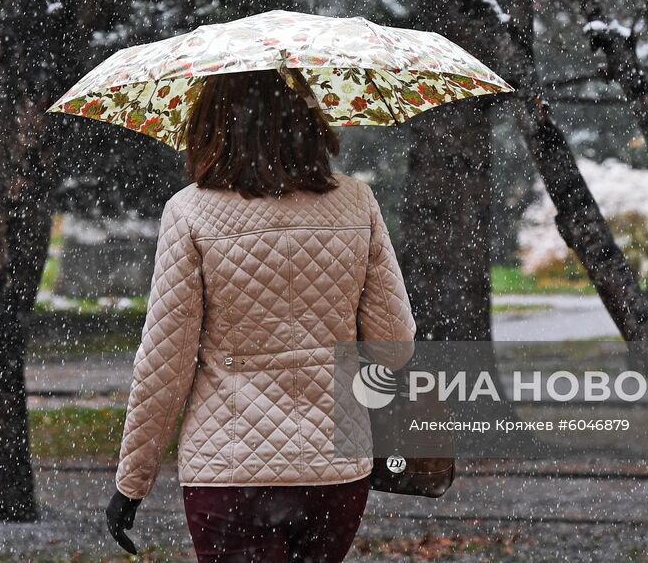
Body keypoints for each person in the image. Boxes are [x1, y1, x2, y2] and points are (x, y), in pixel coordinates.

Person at [104, 68, 417, 562]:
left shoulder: (189, 213)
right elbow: (393, 346)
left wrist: (133, 481)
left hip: (230, 474)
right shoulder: (358, 202)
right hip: (334, 470)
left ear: (211, 125)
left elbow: (164, 366)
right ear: (309, 120)